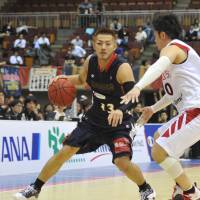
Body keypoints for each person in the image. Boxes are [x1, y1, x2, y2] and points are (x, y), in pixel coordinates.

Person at [14, 28, 156, 200]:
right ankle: (35, 187)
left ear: (114, 46)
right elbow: (81, 80)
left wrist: (120, 109)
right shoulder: (91, 61)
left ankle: (145, 188)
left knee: (121, 161)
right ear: (93, 44)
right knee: (65, 151)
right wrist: (61, 79)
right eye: (99, 43)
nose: (103, 47)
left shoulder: (122, 67)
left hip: (118, 123)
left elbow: (134, 96)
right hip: (94, 120)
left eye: (108, 43)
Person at [121, 13, 200, 200]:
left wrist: (138, 87)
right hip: (192, 110)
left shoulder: (173, 48)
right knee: (158, 137)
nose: (155, 41)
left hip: (196, 109)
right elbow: (172, 95)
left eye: (155, 36)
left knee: (158, 150)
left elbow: (159, 65)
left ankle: (191, 193)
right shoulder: (178, 59)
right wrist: (153, 109)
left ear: (162, 35)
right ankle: (184, 188)